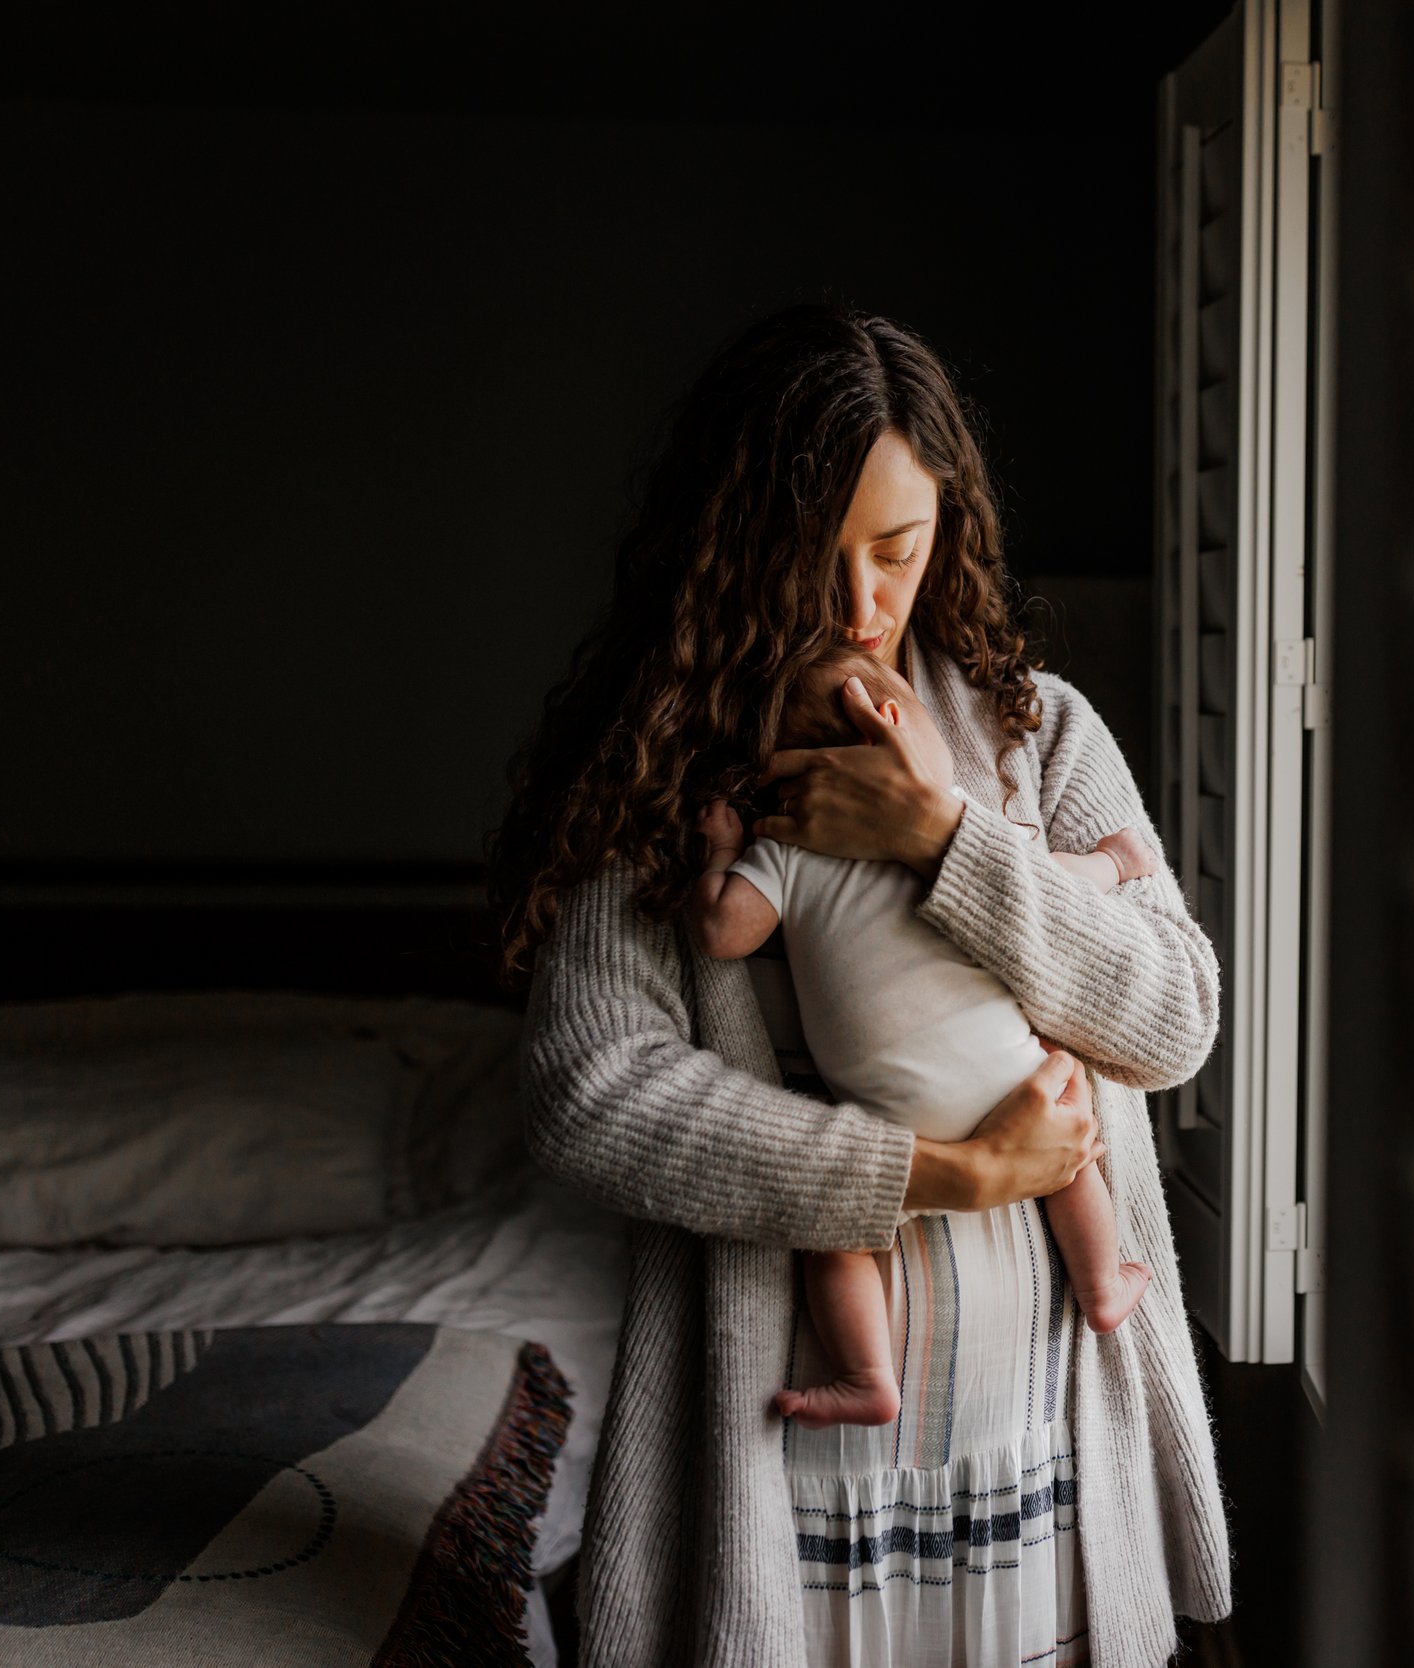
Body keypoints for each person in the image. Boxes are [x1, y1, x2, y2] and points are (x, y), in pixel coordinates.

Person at [490, 305, 1230, 1668]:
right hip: (792, 1501)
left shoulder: (1037, 736)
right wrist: (940, 1171)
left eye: (895, 550)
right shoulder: (672, 786)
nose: (856, 607)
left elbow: (1174, 1019)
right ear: (728, 554)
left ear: (947, 524)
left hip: (1053, 1471)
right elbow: (590, 1094)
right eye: (810, 559)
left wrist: (945, 843)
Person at [686, 643, 1157, 1431]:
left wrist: (722, 854)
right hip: (1011, 1084)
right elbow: (1055, 888)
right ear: (893, 726)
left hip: (882, 1122)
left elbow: (723, 931)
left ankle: (867, 1375)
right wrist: (1113, 861)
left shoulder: (789, 849)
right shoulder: (967, 830)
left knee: (834, 1239)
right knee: (1076, 1145)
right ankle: (1103, 1283)